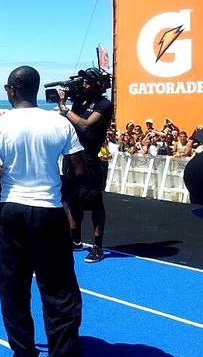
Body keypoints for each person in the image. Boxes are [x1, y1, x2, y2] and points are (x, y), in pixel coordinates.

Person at [0, 66, 84, 357]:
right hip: (49, 211)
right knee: (58, 289)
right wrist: (64, 190)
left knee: (13, 288)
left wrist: (2, 170)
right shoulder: (59, 123)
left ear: (11, 90)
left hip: (13, 212)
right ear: (35, 91)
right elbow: (80, 170)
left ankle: (24, 352)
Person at [57, 67, 114, 263]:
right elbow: (67, 124)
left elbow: (86, 125)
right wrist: (66, 103)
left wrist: (65, 110)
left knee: (94, 202)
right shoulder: (80, 102)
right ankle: (75, 240)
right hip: (72, 157)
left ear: (97, 85)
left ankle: (98, 246)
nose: (84, 85)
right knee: (72, 200)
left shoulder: (104, 104)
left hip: (90, 157)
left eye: (88, 83)